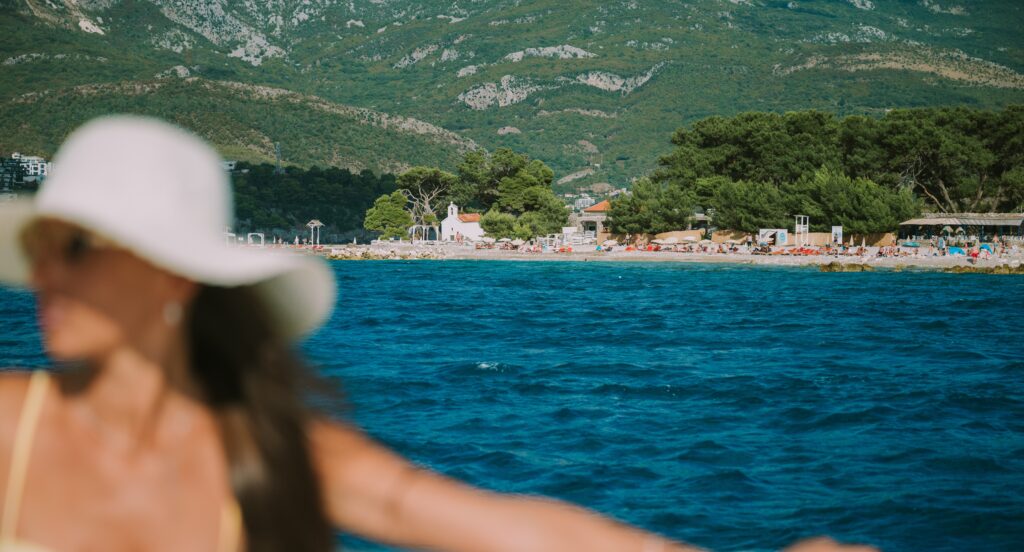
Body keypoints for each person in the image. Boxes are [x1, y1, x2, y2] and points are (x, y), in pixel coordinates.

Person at [0, 116, 874, 552]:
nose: (47, 273)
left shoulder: (264, 452)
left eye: (76, 246)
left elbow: (515, 530)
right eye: (42, 245)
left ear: (174, 274)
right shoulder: (12, 426)